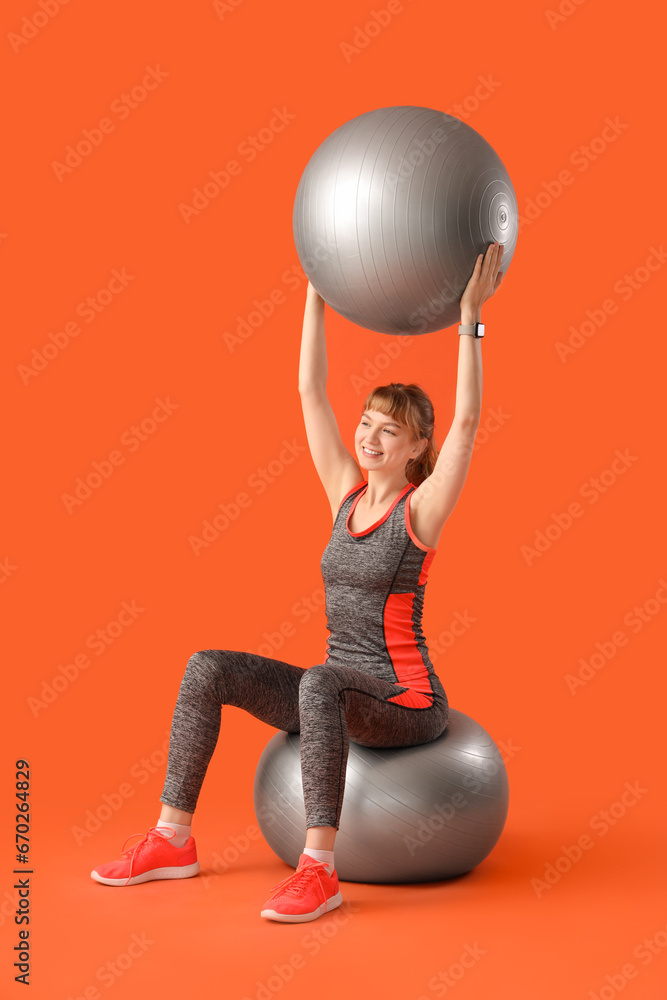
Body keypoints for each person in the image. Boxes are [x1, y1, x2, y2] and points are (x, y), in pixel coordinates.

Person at [90, 241, 504, 922]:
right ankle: (171, 839)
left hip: (403, 700)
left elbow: (466, 424)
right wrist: (318, 291)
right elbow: (309, 391)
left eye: (389, 431)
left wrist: (469, 318)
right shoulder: (344, 495)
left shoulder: (419, 512)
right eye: (367, 423)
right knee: (205, 668)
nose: (369, 437)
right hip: (338, 691)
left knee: (319, 681)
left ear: (414, 449)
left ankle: (319, 871)